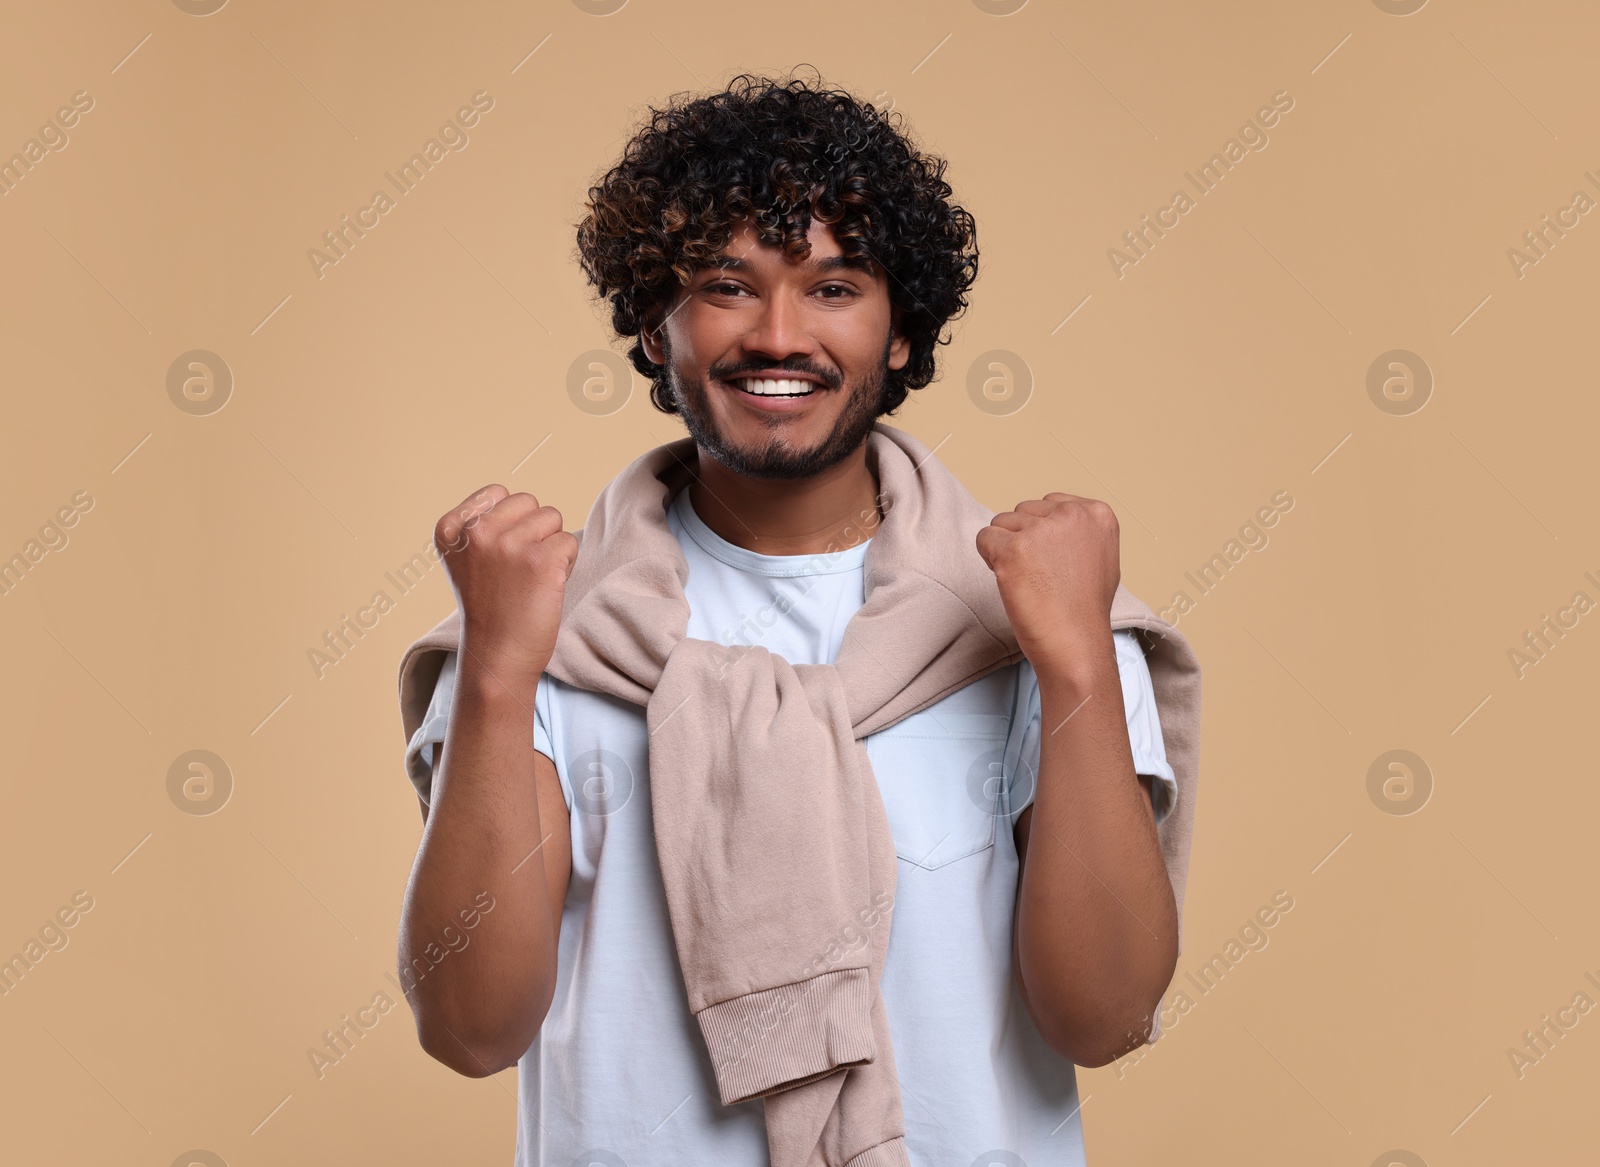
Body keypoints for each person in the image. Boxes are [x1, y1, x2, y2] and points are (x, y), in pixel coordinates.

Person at [395, 69, 1197, 1166]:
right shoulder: (541, 631)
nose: (778, 335)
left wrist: (1076, 670)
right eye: (727, 284)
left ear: (900, 332)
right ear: (651, 329)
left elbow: (1102, 1019)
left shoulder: (1037, 620)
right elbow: (471, 1029)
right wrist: (494, 670)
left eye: (833, 287)